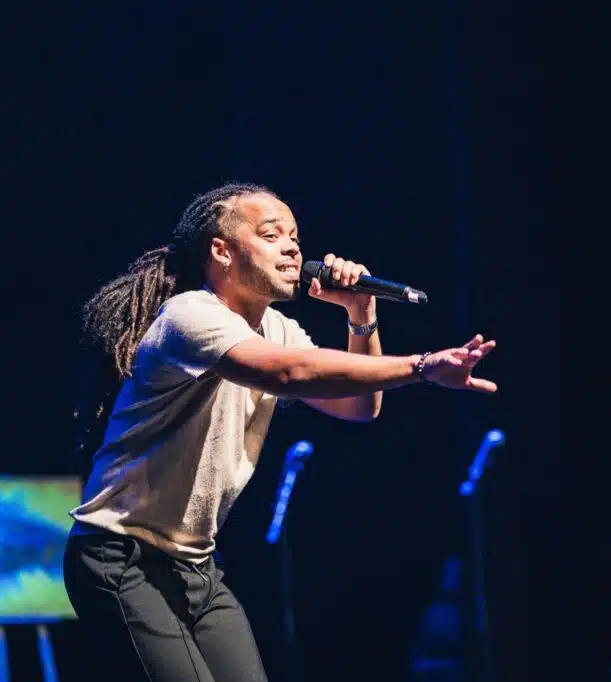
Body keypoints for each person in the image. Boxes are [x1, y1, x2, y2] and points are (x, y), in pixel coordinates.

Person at [63, 182, 498, 682]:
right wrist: (422, 366)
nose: (293, 246)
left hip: (196, 566)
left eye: (294, 235)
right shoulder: (190, 316)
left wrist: (361, 314)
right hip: (121, 556)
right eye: (272, 235)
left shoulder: (276, 327)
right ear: (221, 252)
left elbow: (359, 407)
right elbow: (287, 373)